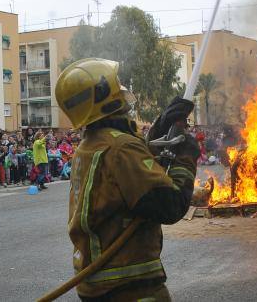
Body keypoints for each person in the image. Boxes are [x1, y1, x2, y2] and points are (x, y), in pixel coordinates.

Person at [56, 58, 198, 301]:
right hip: (129, 288)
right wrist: (185, 157)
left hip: (100, 283)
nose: (122, 93)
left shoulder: (91, 145)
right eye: (117, 86)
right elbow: (170, 205)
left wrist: (160, 126)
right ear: (104, 97)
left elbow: (131, 167)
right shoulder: (120, 149)